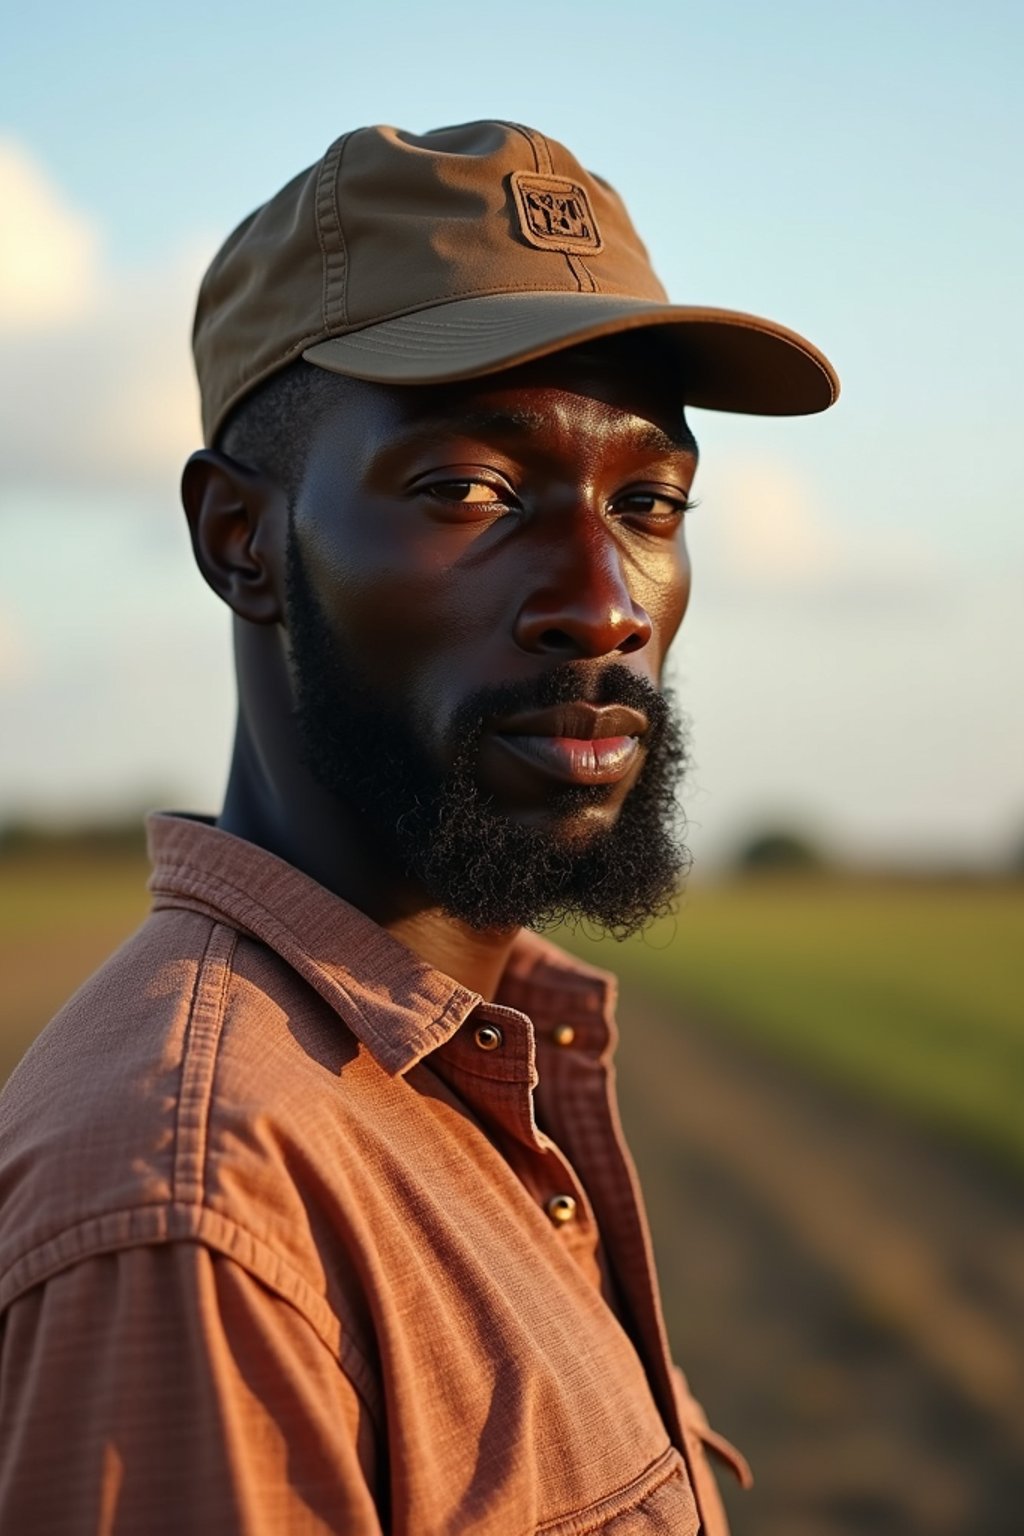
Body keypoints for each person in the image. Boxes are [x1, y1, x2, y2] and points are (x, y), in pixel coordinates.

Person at [0, 120, 838, 1533]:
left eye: (649, 502)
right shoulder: (201, 1217)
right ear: (240, 541)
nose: (606, 601)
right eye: (472, 491)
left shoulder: (464, 1061)